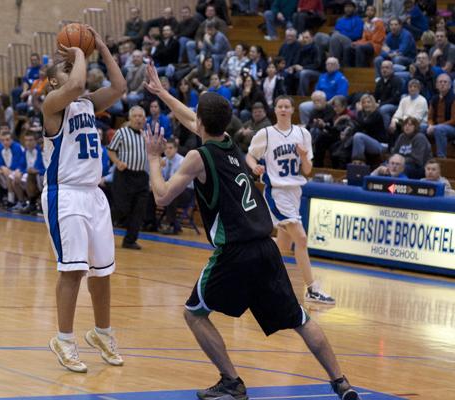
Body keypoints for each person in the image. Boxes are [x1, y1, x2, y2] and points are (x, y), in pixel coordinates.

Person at [143, 64, 360, 400]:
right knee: (301, 319)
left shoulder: (197, 158)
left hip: (235, 252)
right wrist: (161, 93)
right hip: (267, 247)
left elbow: (161, 196)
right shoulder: (228, 142)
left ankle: (231, 381)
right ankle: (341, 382)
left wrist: (154, 159)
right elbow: (191, 117)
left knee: (194, 314)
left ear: (202, 124)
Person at [41, 26, 125, 373]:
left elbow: (120, 87)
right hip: (66, 195)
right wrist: (77, 53)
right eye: (65, 68)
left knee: (102, 271)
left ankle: (102, 333)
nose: (75, 71)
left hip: (94, 195)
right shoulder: (52, 106)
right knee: (73, 270)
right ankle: (64, 338)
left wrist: (101, 48)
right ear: (52, 83)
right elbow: (74, 84)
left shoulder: (88, 104)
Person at [247, 95, 335, 304]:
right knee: (301, 239)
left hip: (295, 192)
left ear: (293, 110)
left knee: (283, 245)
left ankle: (251, 272)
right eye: (280, 106)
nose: (284, 109)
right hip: (276, 192)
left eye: (287, 106)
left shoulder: (302, 133)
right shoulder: (266, 134)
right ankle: (312, 289)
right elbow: (250, 155)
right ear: (275, 110)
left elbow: (307, 170)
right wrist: (254, 167)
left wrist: (304, 156)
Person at [107, 106, 150, 249]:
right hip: (124, 176)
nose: (138, 119)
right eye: (135, 116)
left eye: (141, 116)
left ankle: (130, 240)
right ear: (130, 118)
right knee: (121, 208)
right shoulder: (121, 132)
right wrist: (118, 162)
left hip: (142, 176)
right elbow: (111, 150)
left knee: (139, 210)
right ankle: (100, 232)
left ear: (144, 119)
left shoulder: (146, 135)